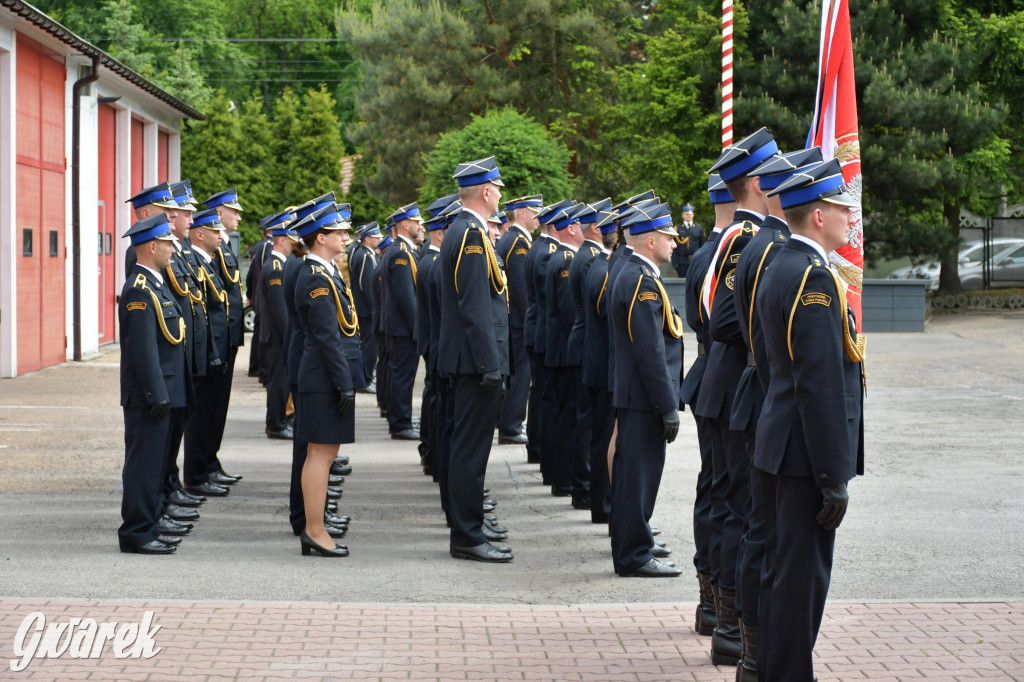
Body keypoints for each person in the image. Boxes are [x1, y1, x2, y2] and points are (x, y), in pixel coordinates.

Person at [755, 158, 865, 681]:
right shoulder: (813, 276)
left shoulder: (779, 265)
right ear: (818, 215)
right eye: (843, 208)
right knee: (800, 587)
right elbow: (818, 385)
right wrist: (832, 476)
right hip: (804, 458)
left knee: (783, 578)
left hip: (780, 444)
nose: (851, 218)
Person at [729, 146, 823, 680]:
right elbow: (761, 339)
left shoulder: (768, 247)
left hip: (767, 403)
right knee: (770, 542)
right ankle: (756, 654)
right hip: (772, 404)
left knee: (765, 538)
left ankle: (756, 654)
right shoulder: (772, 251)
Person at [697, 127, 777, 667]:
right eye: (774, 175)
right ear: (756, 183)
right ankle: (730, 627)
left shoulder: (738, 238)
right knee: (737, 507)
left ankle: (724, 619)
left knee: (729, 501)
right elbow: (721, 319)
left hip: (722, 386)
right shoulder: (745, 241)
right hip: (731, 387)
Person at [438, 156, 512, 563]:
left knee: (470, 448)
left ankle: (470, 526)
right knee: (470, 450)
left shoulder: (470, 231)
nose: (500, 194)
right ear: (485, 192)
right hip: (474, 362)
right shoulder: (469, 234)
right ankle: (466, 535)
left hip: (471, 360)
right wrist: (489, 365)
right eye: (497, 188)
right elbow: (475, 306)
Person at [607, 201, 684, 578]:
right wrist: (667, 405)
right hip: (644, 399)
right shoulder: (641, 280)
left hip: (636, 397)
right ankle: (634, 555)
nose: (675, 243)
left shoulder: (635, 274)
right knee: (637, 478)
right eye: (669, 237)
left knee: (631, 477)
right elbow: (650, 350)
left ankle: (631, 548)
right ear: (650, 240)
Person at [679, 173, 735, 639]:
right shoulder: (732, 252)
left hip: (707, 375)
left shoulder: (702, 255)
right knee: (731, 494)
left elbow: (699, 319)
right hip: (729, 379)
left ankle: (709, 601)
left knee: (713, 487)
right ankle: (722, 607)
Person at [293, 204, 366, 557]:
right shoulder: (315, 278)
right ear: (320, 238)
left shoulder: (327, 273)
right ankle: (315, 530)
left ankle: (315, 527)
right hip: (323, 379)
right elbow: (326, 337)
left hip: (325, 378)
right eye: (340, 233)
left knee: (323, 453)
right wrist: (344, 383)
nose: (346, 238)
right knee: (320, 454)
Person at [117, 214, 191, 555]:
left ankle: (150, 522)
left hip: (161, 391)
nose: (172, 250)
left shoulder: (156, 283)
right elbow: (142, 349)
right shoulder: (138, 288)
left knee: (155, 463)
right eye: (167, 244)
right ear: (151, 246)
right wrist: (156, 392)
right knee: (143, 464)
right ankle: (137, 531)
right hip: (149, 394)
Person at [566, 199, 611, 510]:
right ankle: (584, 486)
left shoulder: (586, 256)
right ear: (596, 228)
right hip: (587, 346)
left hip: (582, 342)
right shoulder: (591, 259)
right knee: (589, 423)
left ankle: (585, 486)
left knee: (587, 421)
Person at [201, 188, 247, 485]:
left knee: (219, 407)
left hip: (227, 337)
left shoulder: (225, 245)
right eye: (234, 211)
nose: (239, 216)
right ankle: (200, 466)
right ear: (219, 212)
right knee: (208, 407)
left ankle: (210, 460)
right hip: (217, 339)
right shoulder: (214, 248)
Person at [540, 199, 584, 499]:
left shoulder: (558, 257)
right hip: (562, 348)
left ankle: (558, 475)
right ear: (570, 229)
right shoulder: (566, 260)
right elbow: (570, 315)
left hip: (552, 345)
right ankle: (564, 478)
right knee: (567, 416)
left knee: (558, 412)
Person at [580, 208, 619, 525]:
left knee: (600, 437)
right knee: (605, 438)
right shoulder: (605, 270)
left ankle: (601, 505)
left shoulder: (598, 266)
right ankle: (604, 506)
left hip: (596, 364)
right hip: (604, 368)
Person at [495, 195, 542, 447]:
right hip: (518, 322)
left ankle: (509, 422)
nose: (538, 217)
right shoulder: (518, 243)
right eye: (535, 211)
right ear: (522, 213)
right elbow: (521, 290)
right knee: (519, 375)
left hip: (512, 320)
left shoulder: (512, 239)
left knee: (515, 375)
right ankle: (511, 425)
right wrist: (527, 322)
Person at [415, 200, 454, 477]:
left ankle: (432, 454)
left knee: (435, 402)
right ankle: (435, 458)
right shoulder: (434, 263)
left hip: (435, 342)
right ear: (441, 233)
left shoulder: (429, 260)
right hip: (438, 343)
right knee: (439, 406)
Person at [381, 203, 424, 440]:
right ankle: (400, 423)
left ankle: (403, 418)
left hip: (401, 327)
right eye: (417, 223)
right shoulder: (400, 253)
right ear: (405, 225)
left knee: (403, 375)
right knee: (402, 375)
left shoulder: (404, 250)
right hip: (402, 328)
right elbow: (405, 296)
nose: (421, 227)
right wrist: (415, 326)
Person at [260, 212, 300, 440]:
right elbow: (280, 310)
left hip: (279, 336)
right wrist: (290, 337)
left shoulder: (280, 264)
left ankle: (283, 419)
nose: (294, 245)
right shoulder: (275, 267)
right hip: (277, 336)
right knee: (278, 382)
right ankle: (276, 424)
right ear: (281, 240)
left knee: (283, 381)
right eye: (291, 240)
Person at [349, 223, 384, 389]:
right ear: (368, 239)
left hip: (366, 309)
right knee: (369, 346)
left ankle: (365, 376)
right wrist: (373, 309)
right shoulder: (365, 256)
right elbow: (366, 285)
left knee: (368, 344)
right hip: (366, 309)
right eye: (376, 236)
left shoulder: (366, 254)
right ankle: (365, 378)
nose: (380, 239)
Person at [247, 216, 277, 382]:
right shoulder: (268, 247)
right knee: (265, 332)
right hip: (264, 296)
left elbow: (251, 274)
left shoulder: (259, 246)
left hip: (258, 296)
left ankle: (255, 366)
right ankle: (262, 369)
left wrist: (250, 295)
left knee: (259, 332)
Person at [671, 203, 706, 278]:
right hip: (682, 262)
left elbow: (702, 246)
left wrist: (702, 261)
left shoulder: (699, 228)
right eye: (686, 214)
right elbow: (674, 247)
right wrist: (675, 263)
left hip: (695, 261)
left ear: (693, 215)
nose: (688, 216)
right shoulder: (677, 228)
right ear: (683, 215)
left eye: (690, 214)